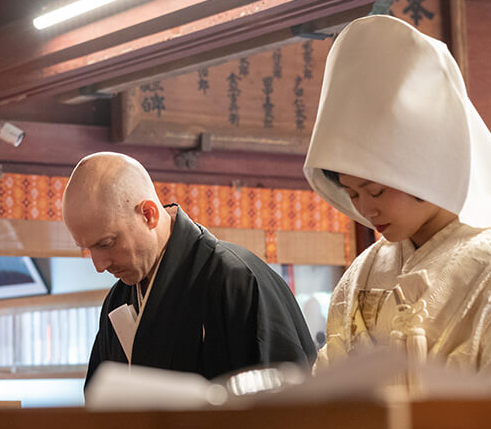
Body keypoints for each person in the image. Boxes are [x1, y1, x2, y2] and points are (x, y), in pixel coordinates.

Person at [304, 14, 491, 398]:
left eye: (375, 191)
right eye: (353, 194)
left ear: (422, 169)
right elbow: (326, 385)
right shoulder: (364, 270)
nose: (366, 210)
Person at [63, 153, 316, 390]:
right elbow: (101, 404)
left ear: (148, 215)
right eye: (88, 249)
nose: (99, 265)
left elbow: (283, 405)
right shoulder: (118, 300)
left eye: (106, 244)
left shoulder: (235, 280)